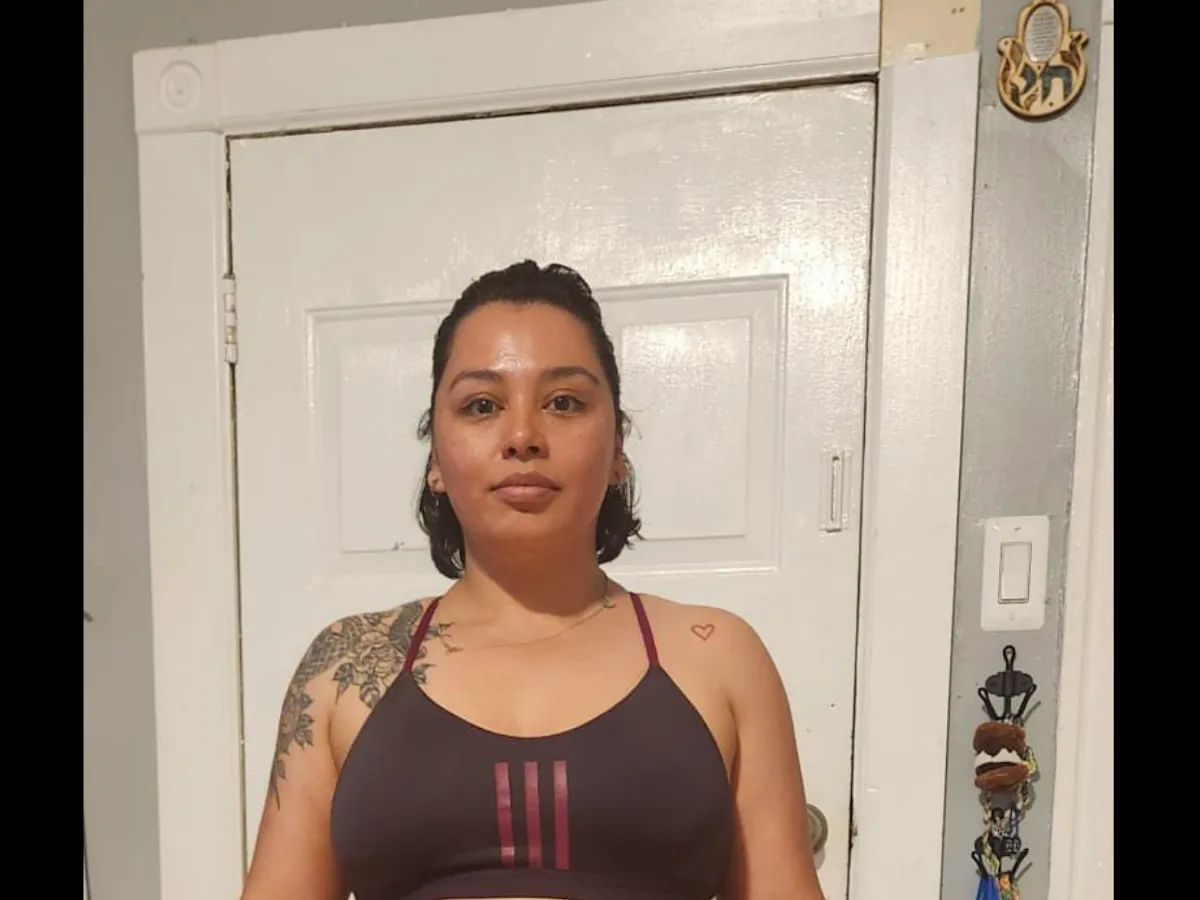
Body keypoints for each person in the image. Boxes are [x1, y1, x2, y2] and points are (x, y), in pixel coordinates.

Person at [241, 261, 826, 900]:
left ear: (618, 450)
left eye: (564, 402)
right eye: (482, 405)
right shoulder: (344, 669)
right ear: (435, 457)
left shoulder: (717, 656)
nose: (522, 436)